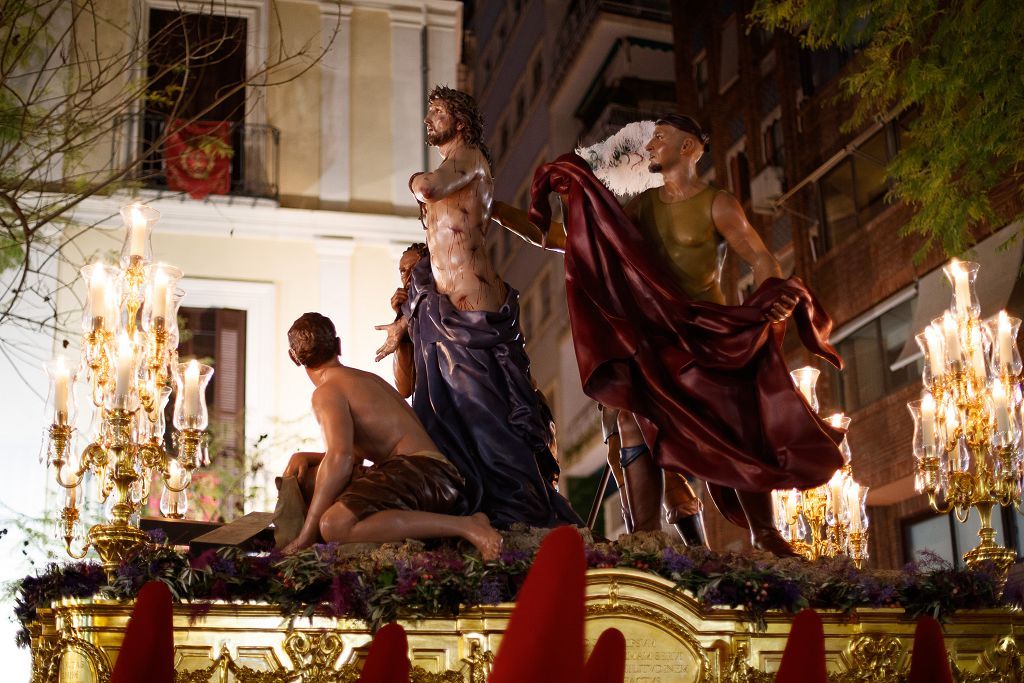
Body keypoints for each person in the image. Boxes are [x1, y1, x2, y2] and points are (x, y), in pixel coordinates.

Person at [493, 115, 845, 556]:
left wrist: (772, 294)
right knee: (630, 417)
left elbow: (759, 255)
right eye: (653, 135)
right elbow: (573, 240)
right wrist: (495, 210)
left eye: (662, 136)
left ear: (690, 148)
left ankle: (764, 532)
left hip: (708, 334)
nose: (651, 142)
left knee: (734, 420)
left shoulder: (718, 203)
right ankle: (645, 532)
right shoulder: (643, 207)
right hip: (659, 337)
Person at [375, 85, 580, 529]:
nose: (428, 120)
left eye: (437, 112)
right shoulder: (456, 164)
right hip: (443, 310)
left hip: (473, 305)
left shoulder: (469, 159)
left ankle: (520, 512)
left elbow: (428, 187)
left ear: (460, 121)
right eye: (428, 113)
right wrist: (406, 319)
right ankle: (470, 510)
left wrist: (412, 182)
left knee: (484, 413)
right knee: (448, 419)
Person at [278, 312, 503, 559]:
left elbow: (341, 459)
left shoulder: (326, 392)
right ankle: (457, 526)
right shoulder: (360, 379)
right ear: (338, 344)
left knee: (334, 525)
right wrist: (306, 456)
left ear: (293, 357)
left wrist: (307, 534)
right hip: (430, 473)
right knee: (311, 479)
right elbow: (350, 456)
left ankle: (467, 526)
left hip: (423, 473)